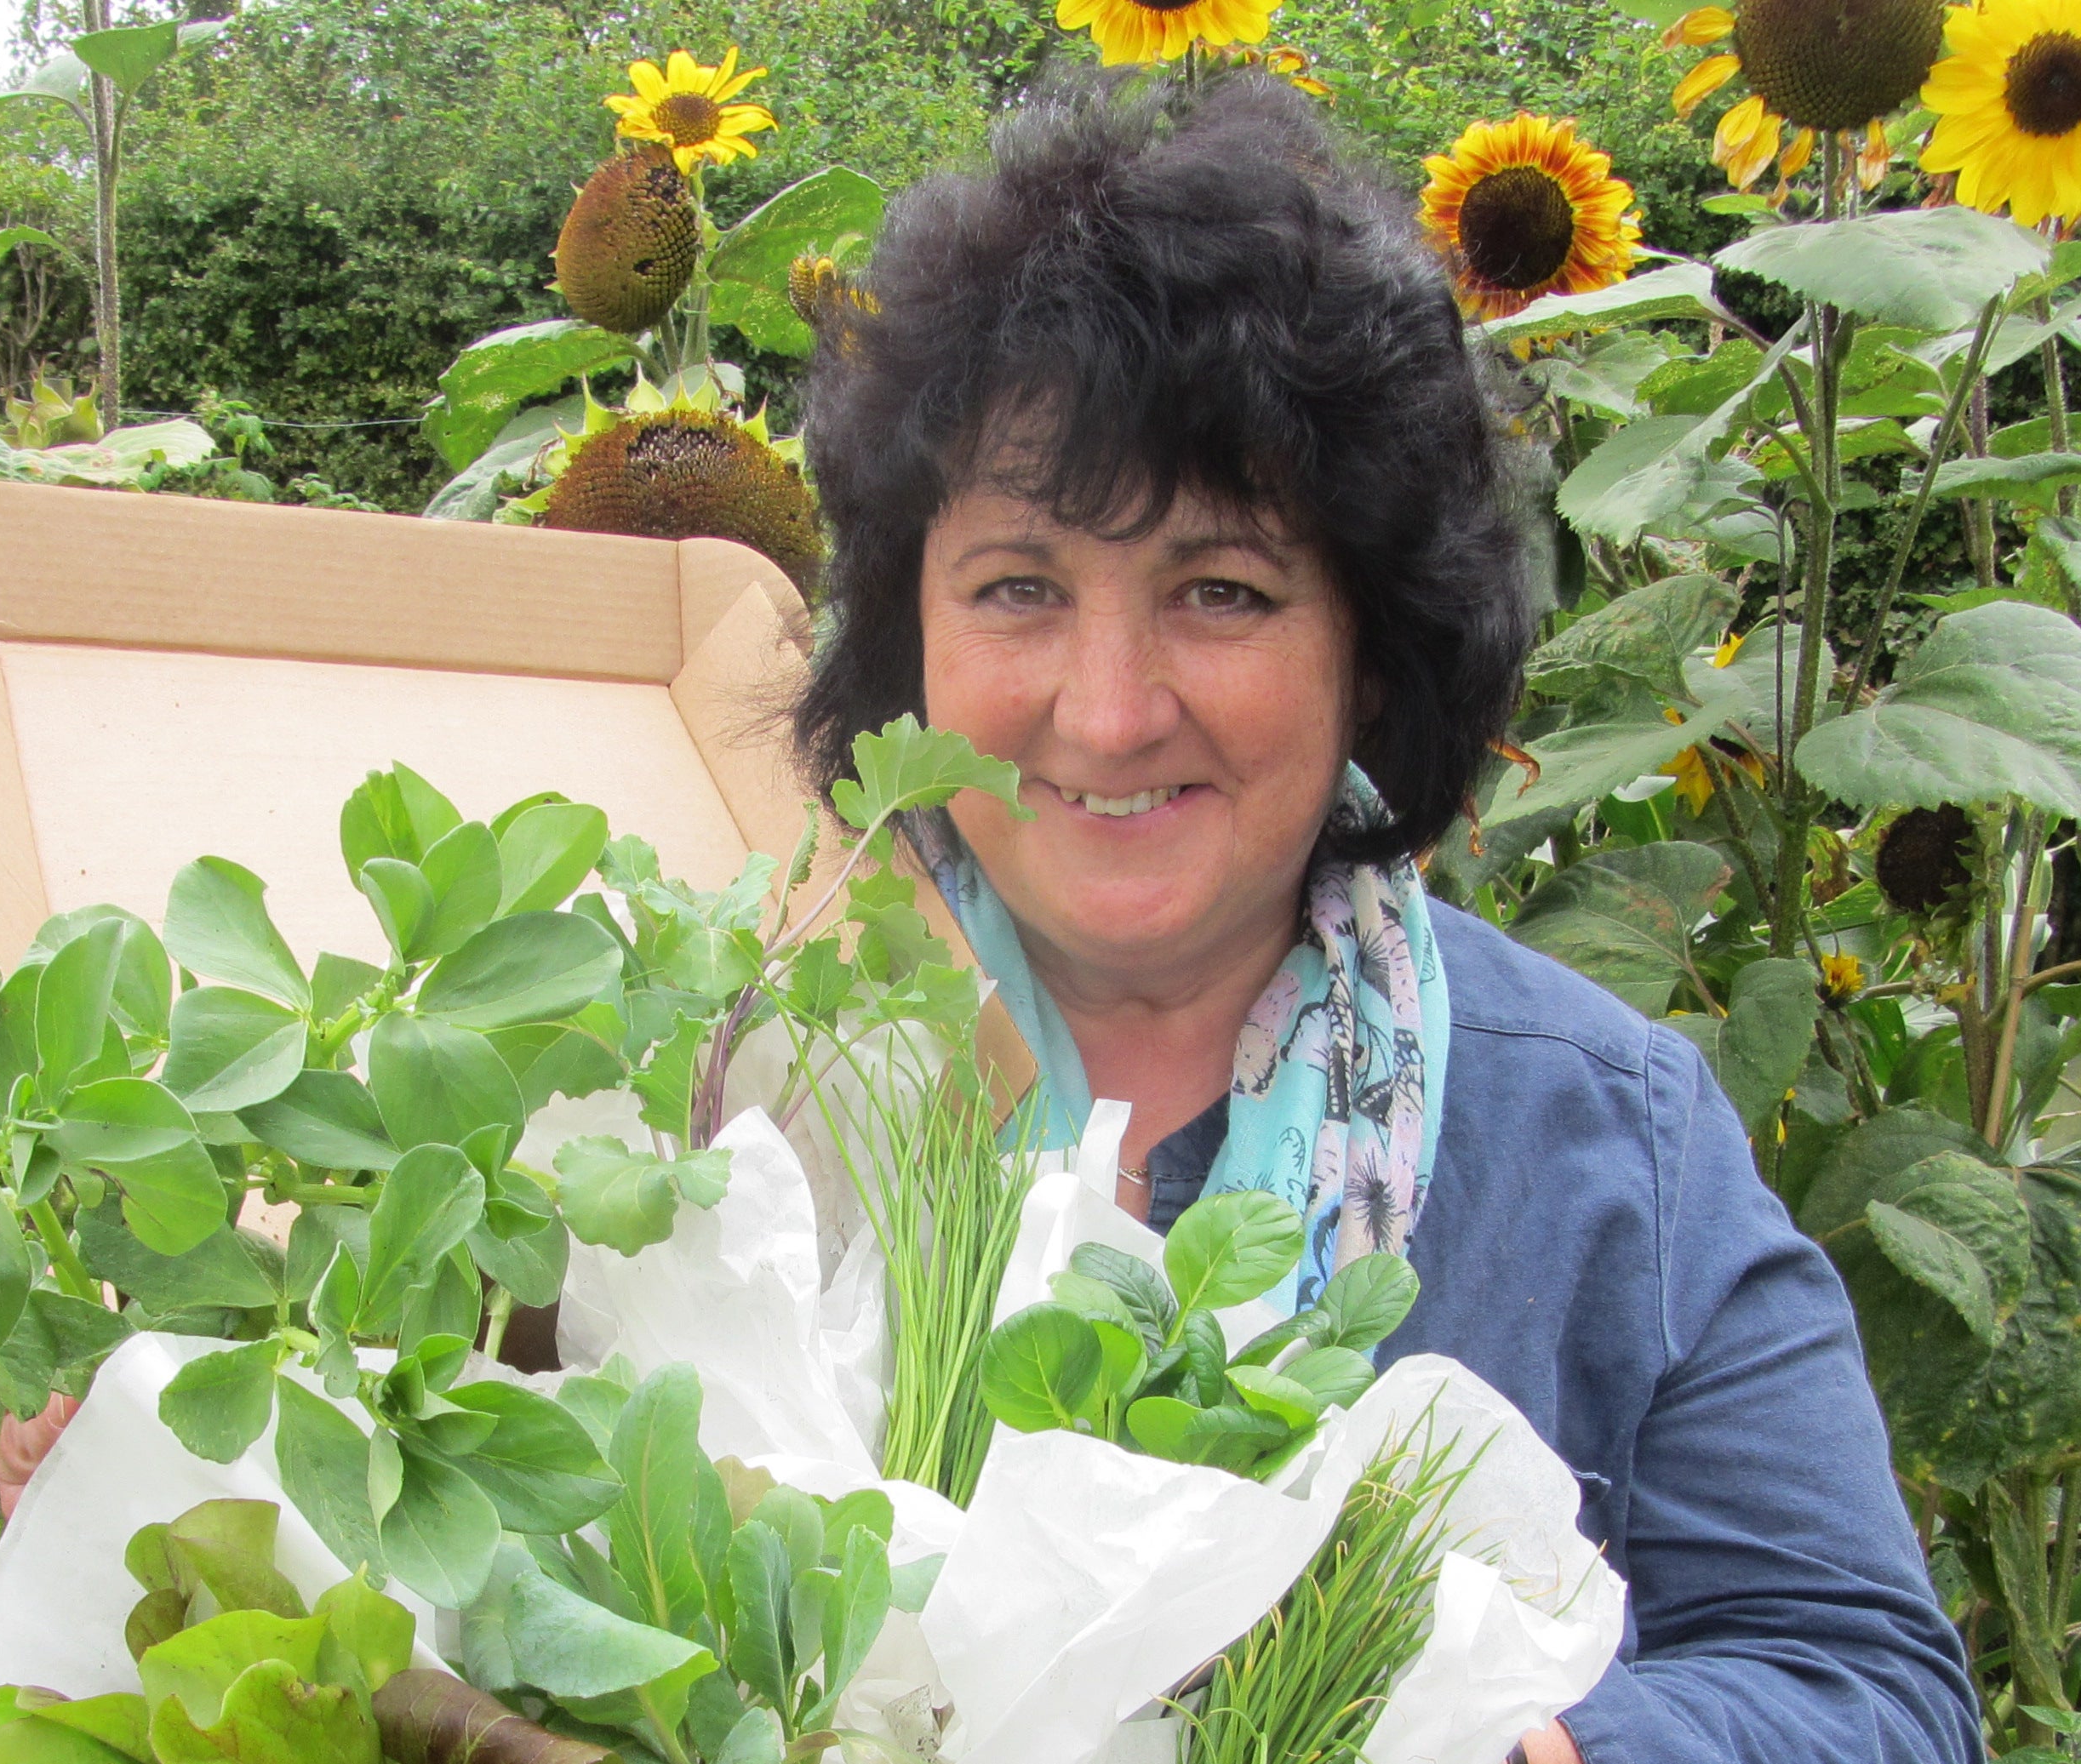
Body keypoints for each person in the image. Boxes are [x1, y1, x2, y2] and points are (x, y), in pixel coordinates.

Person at [791, 73, 1981, 1764]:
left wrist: (1541, 1746)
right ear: (904, 631)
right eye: (1017, 585)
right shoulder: (727, 1071)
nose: (1108, 709)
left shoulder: (1603, 1143)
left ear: (1371, 640)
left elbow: (1870, 1689)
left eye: (1220, 589)